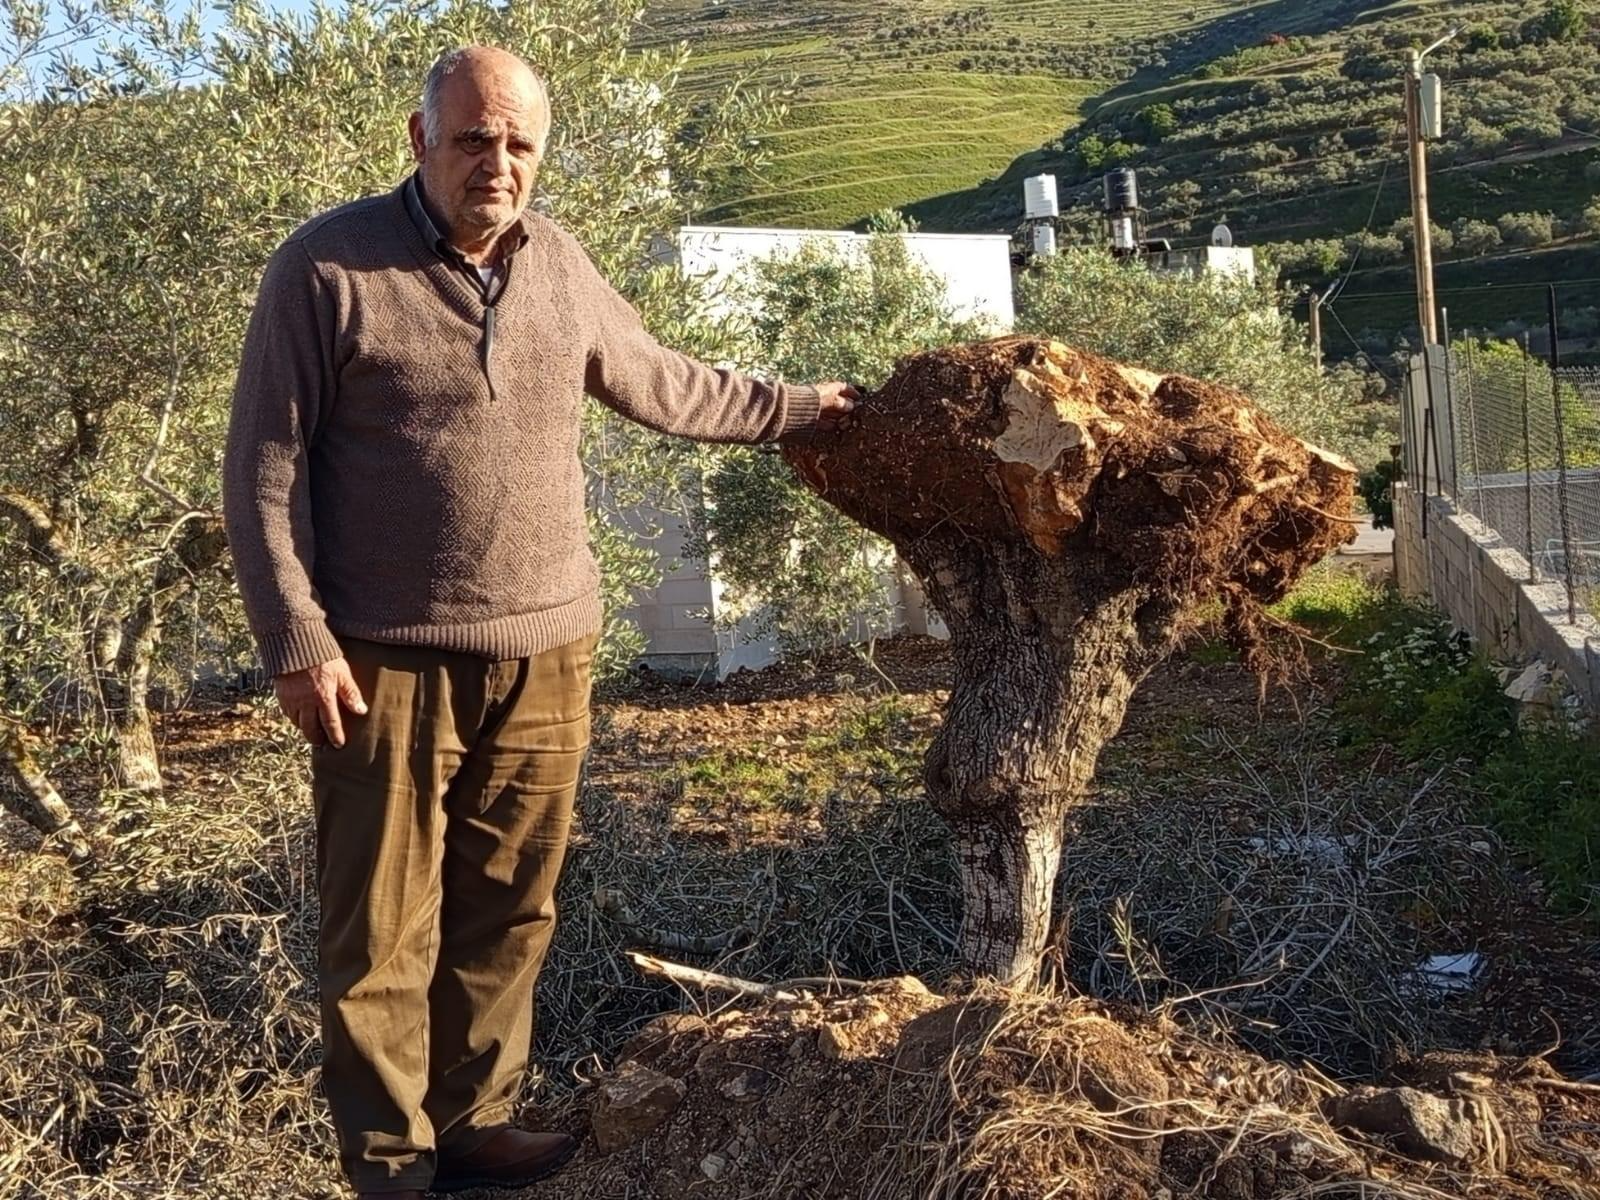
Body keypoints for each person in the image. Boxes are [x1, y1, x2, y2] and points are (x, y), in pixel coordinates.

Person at [221, 44, 858, 1198]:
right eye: (473, 139)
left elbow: (666, 381)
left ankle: (474, 1124)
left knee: (511, 908)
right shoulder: (325, 268)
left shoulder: (556, 258)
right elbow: (262, 475)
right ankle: (391, 1169)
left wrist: (803, 409)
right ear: (420, 141)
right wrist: (297, 639)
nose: (497, 163)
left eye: (518, 143)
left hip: (548, 649)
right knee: (378, 937)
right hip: (384, 659)